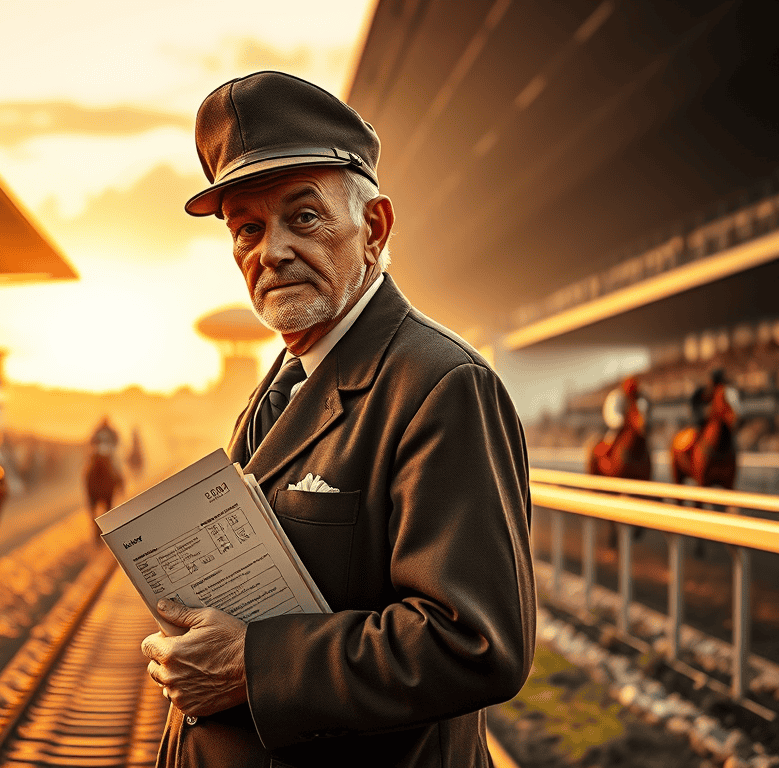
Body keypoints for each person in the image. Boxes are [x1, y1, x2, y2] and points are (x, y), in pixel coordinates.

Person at [140, 71, 535, 768]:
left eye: (305, 217)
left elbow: (474, 643)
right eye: (248, 230)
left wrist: (253, 666)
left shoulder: (443, 384)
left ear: (374, 227)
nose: (272, 251)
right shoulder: (278, 388)